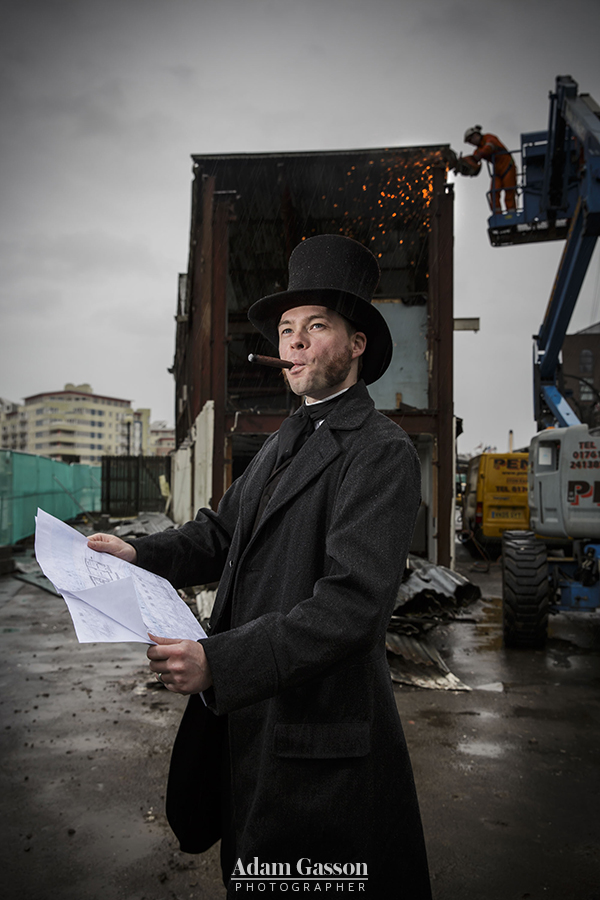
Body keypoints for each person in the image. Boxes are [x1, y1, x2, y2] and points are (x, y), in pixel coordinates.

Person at [88, 234, 431, 898]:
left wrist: (222, 662)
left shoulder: (381, 453)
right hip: (253, 729)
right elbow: (218, 534)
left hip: (319, 745)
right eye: (286, 330)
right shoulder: (283, 443)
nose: (294, 342)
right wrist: (138, 552)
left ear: (356, 344)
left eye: (316, 327)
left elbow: (352, 606)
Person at [463, 124, 517, 214]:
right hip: (497, 170)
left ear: (476, 135)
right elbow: (473, 160)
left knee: (509, 190)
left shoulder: (489, 137)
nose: (471, 143)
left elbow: (489, 147)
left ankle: (511, 214)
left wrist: (478, 156)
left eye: (470, 140)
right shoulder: (478, 150)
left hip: (507, 166)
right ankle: (497, 215)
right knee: (493, 192)